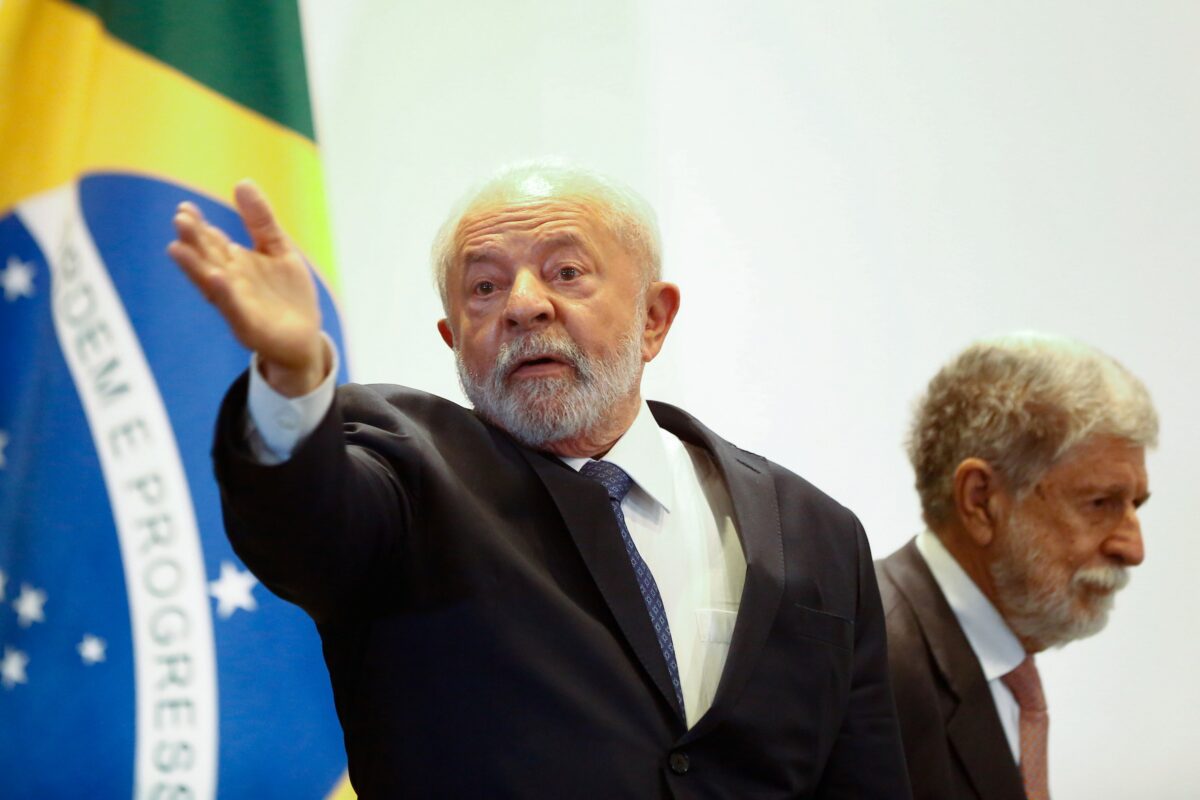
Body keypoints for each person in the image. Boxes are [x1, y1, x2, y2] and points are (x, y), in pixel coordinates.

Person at [168, 160, 910, 798]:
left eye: (566, 272)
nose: (524, 305)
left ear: (654, 317)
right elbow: (305, 522)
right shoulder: (404, 471)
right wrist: (294, 376)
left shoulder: (816, 530)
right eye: (485, 287)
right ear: (454, 340)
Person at [876, 334, 1157, 800]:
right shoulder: (862, 661)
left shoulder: (1003, 665)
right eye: (1100, 503)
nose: (1134, 548)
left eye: (1136, 505)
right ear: (981, 501)